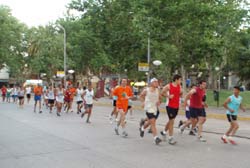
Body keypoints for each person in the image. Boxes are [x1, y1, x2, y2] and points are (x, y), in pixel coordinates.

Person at [160, 74, 182, 145]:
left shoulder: (179, 86)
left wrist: (181, 95)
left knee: (171, 121)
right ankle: (171, 138)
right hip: (169, 105)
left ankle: (163, 132)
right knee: (172, 121)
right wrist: (168, 96)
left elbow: (180, 94)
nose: (180, 81)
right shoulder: (168, 86)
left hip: (176, 106)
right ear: (176, 79)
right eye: (180, 80)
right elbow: (162, 93)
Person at [139, 78, 162, 145]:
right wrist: (143, 102)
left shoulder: (158, 90)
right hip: (148, 108)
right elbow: (140, 96)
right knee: (153, 123)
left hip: (155, 109)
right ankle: (156, 138)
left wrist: (159, 102)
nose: (156, 83)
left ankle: (142, 128)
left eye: (157, 82)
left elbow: (160, 98)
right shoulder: (146, 90)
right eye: (155, 82)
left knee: (150, 122)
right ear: (151, 83)